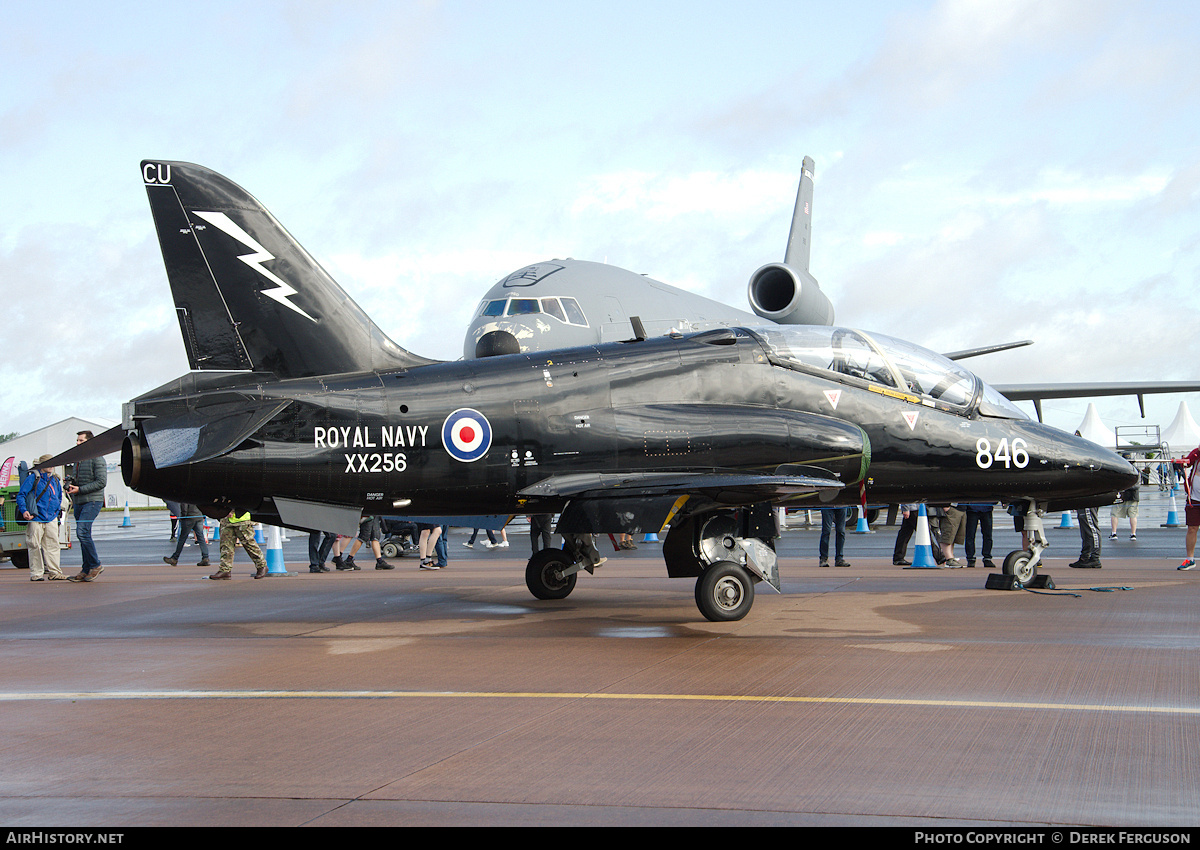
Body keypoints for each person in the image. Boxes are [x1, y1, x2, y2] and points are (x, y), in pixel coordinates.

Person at [16, 455, 67, 581]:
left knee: (53, 545)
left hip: (51, 518)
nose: (51, 466)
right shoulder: (33, 478)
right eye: (48, 464)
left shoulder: (55, 479)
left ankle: (54, 572)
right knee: (34, 546)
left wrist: (56, 512)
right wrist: (24, 510)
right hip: (36, 517)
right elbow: (21, 495)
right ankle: (36, 573)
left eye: (52, 464)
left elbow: (59, 497)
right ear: (41, 465)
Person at [67, 431, 107, 582]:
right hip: (79, 501)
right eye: (77, 440)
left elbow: (102, 482)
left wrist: (80, 489)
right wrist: (71, 483)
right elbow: (79, 479)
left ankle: (96, 565)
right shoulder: (79, 460)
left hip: (92, 501)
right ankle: (86, 569)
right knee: (84, 535)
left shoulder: (97, 458)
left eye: (81, 440)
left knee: (82, 532)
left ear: (90, 442)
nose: (77, 443)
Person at [211, 510, 268, 579]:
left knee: (249, 544)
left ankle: (261, 566)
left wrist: (230, 511)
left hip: (242, 519)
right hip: (226, 520)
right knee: (226, 546)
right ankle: (225, 570)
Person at [162, 502, 211, 566]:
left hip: (189, 517)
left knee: (182, 539)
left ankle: (175, 558)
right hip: (199, 516)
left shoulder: (187, 495)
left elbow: (184, 508)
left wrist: (183, 517)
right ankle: (205, 557)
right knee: (201, 537)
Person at [1178, 446, 1200, 570]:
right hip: (1194, 499)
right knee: (1192, 528)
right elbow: (1187, 462)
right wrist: (1181, 462)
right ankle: (1190, 559)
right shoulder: (1197, 453)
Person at [962, 503, 996, 569]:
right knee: (970, 535)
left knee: (987, 535)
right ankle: (970, 558)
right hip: (972, 509)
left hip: (986, 508)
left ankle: (987, 557)